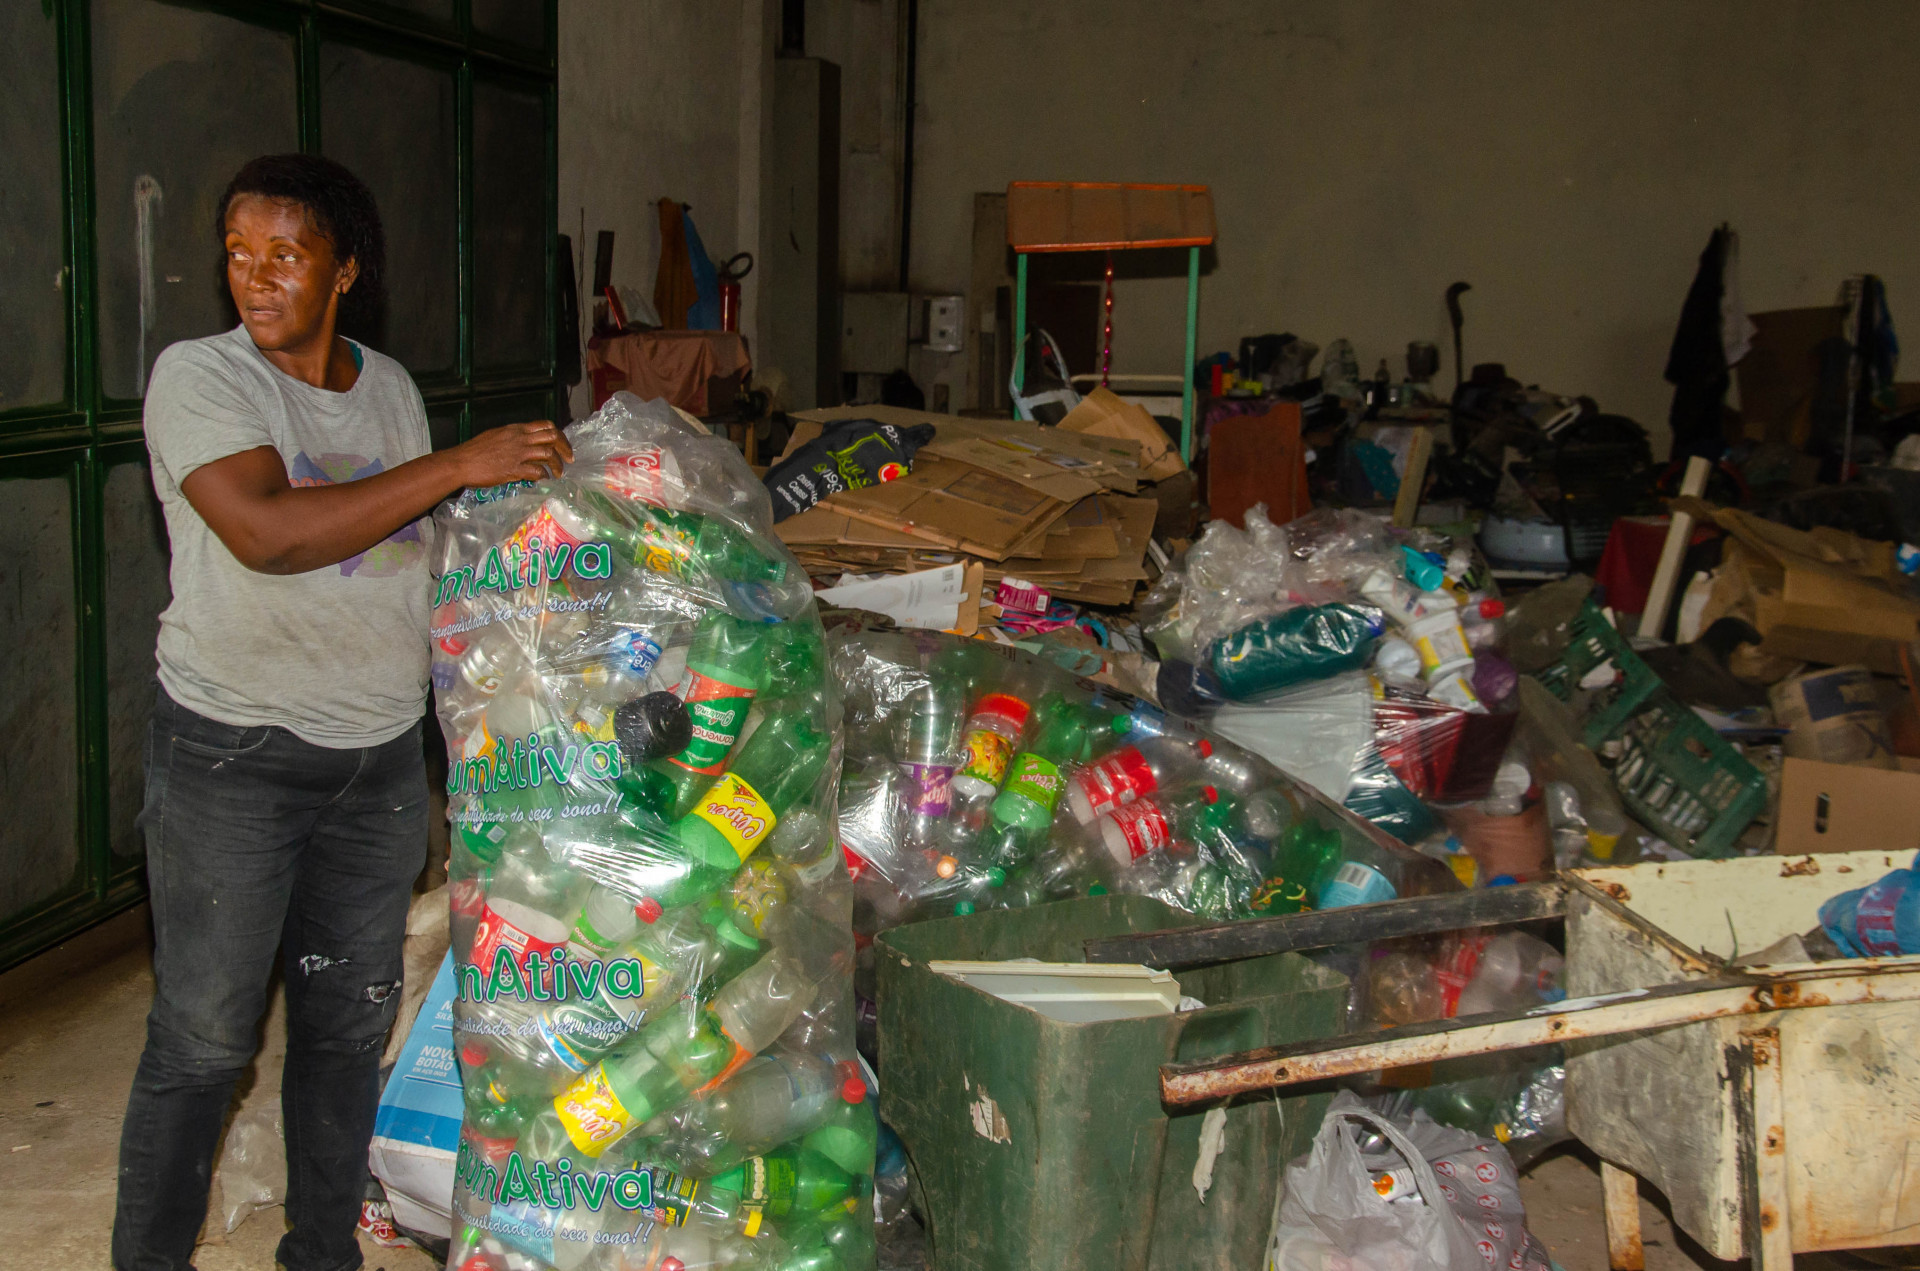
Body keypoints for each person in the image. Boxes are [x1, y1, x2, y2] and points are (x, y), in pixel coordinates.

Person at [112, 153, 570, 1271]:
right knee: (205, 1038)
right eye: (237, 252)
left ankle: (323, 1252)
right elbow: (269, 533)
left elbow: (410, 550)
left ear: (345, 269)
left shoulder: (389, 387)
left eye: (287, 253)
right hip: (235, 752)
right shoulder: (199, 376)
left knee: (346, 1024)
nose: (255, 276)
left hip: (374, 764)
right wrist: (456, 465)